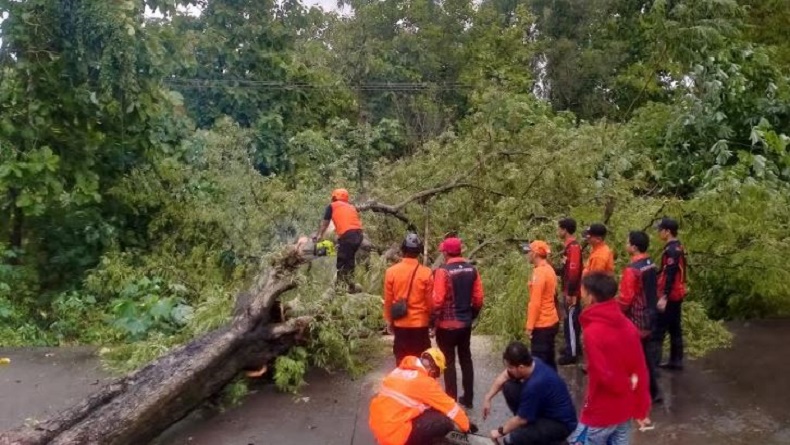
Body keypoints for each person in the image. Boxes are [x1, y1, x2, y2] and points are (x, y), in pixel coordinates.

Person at [567, 272, 651, 445]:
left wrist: (590, 407)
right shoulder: (628, 326)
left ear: (591, 296)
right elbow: (640, 368)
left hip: (602, 411)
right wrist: (640, 407)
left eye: (583, 291)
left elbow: (602, 375)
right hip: (625, 409)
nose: (581, 295)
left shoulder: (592, 332)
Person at [369, 348, 472, 445]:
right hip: (395, 435)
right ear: (433, 369)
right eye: (436, 375)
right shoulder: (425, 382)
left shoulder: (401, 370)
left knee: (429, 410)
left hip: (381, 428)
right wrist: (466, 426)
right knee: (443, 421)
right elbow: (450, 407)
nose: (435, 378)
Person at [482, 341, 577, 445]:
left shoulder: (535, 385)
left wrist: (500, 432)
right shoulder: (533, 362)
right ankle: (529, 430)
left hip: (560, 424)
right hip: (543, 410)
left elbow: (521, 419)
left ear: (521, 367)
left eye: (510, 367)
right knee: (509, 386)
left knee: (512, 439)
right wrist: (488, 397)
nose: (508, 370)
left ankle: (556, 442)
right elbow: (504, 376)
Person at [433, 236, 484, 408]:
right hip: (465, 324)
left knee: (448, 362)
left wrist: (432, 320)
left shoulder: (443, 271)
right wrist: (472, 314)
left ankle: (451, 401)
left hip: (446, 325)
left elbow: (437, 301)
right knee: (466, 359)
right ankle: (468, 398)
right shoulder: (472, 270)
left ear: (446, 253)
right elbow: (478, 298)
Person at [618, 231, 662, 403]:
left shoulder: (632, 270)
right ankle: (651, 391)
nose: (625, 244)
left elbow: (626, 298)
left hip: (636, 318)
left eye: (627, 242)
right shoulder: (650, 264)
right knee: (644, 354)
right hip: (651, 314)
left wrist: (618, 313)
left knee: (635, 356)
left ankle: (643, 391)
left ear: (634, 247)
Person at [384, 233, 434, 365]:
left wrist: (389, 320)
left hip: (400, 324)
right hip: (420, 324)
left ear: (403, 250)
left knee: (402, 362)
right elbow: (430, 302)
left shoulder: (391, 272)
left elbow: (388, 300)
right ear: (419, 252)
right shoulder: (426, 272)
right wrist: (431, 320)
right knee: (422, 364)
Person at [314, 188, 364, 291]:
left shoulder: (332, 206)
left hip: (348, 235)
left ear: (334, 197)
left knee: (342, 261)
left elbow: (325, 223)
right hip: (359, 235)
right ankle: (350, 285)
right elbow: (349, 223)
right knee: (349, 260)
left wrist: (319, 235)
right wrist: (340, 238)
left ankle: (339, 287)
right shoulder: (351, 207)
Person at [522, 240, 560, 370]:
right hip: (552, 320)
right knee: (549, 360)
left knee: (539, 363)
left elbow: (535, 303)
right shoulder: (549, 269)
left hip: (542, 324)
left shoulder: (539, 273)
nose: (527, 254)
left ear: (535, 254)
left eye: (529, 252)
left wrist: (529, 327)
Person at [656, 217, 687, 371]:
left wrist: (664, 296)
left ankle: (654, 363)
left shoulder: (671, 250)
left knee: (660, 328)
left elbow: (670, 273)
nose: (659, 232)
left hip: (672, 294)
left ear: (667, 231)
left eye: (660, 230)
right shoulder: (678, 246)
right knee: (675, 327)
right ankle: (676, 360)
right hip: (677, 293)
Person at [557, 218, 583, 366]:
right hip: (568, 289)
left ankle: (572, 353)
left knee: (571, 322)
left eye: (559, 228)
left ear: (565, 230)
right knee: (569, 321)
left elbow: (573, 272)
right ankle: (572, 346)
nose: (558, 231)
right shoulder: (567, 246)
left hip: (572, 292)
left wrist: (570, 292)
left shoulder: (573, 247)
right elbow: (564, 270)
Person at [581, 223, 615, 306]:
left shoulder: (599, 256)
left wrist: (590, 302)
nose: (587, 238)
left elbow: (595, 282)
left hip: (596, 298)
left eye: (590, 236)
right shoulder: (600, 249)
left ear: (598, 239)